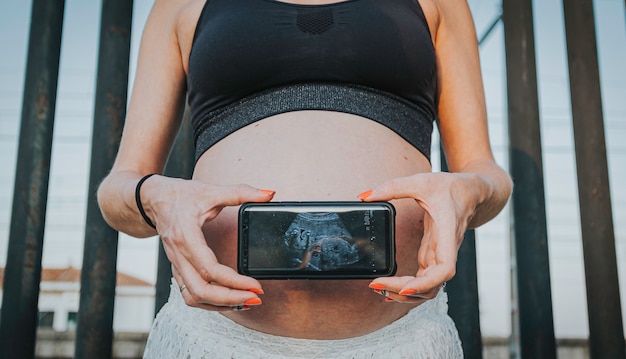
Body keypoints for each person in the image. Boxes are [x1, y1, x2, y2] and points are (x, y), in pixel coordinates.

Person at [97, 0, 512, 357]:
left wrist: (468, 191)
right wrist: (154, 197)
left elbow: (486, 173)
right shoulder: (180, 5)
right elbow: (118, 190)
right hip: (214, 340)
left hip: (401, 341)